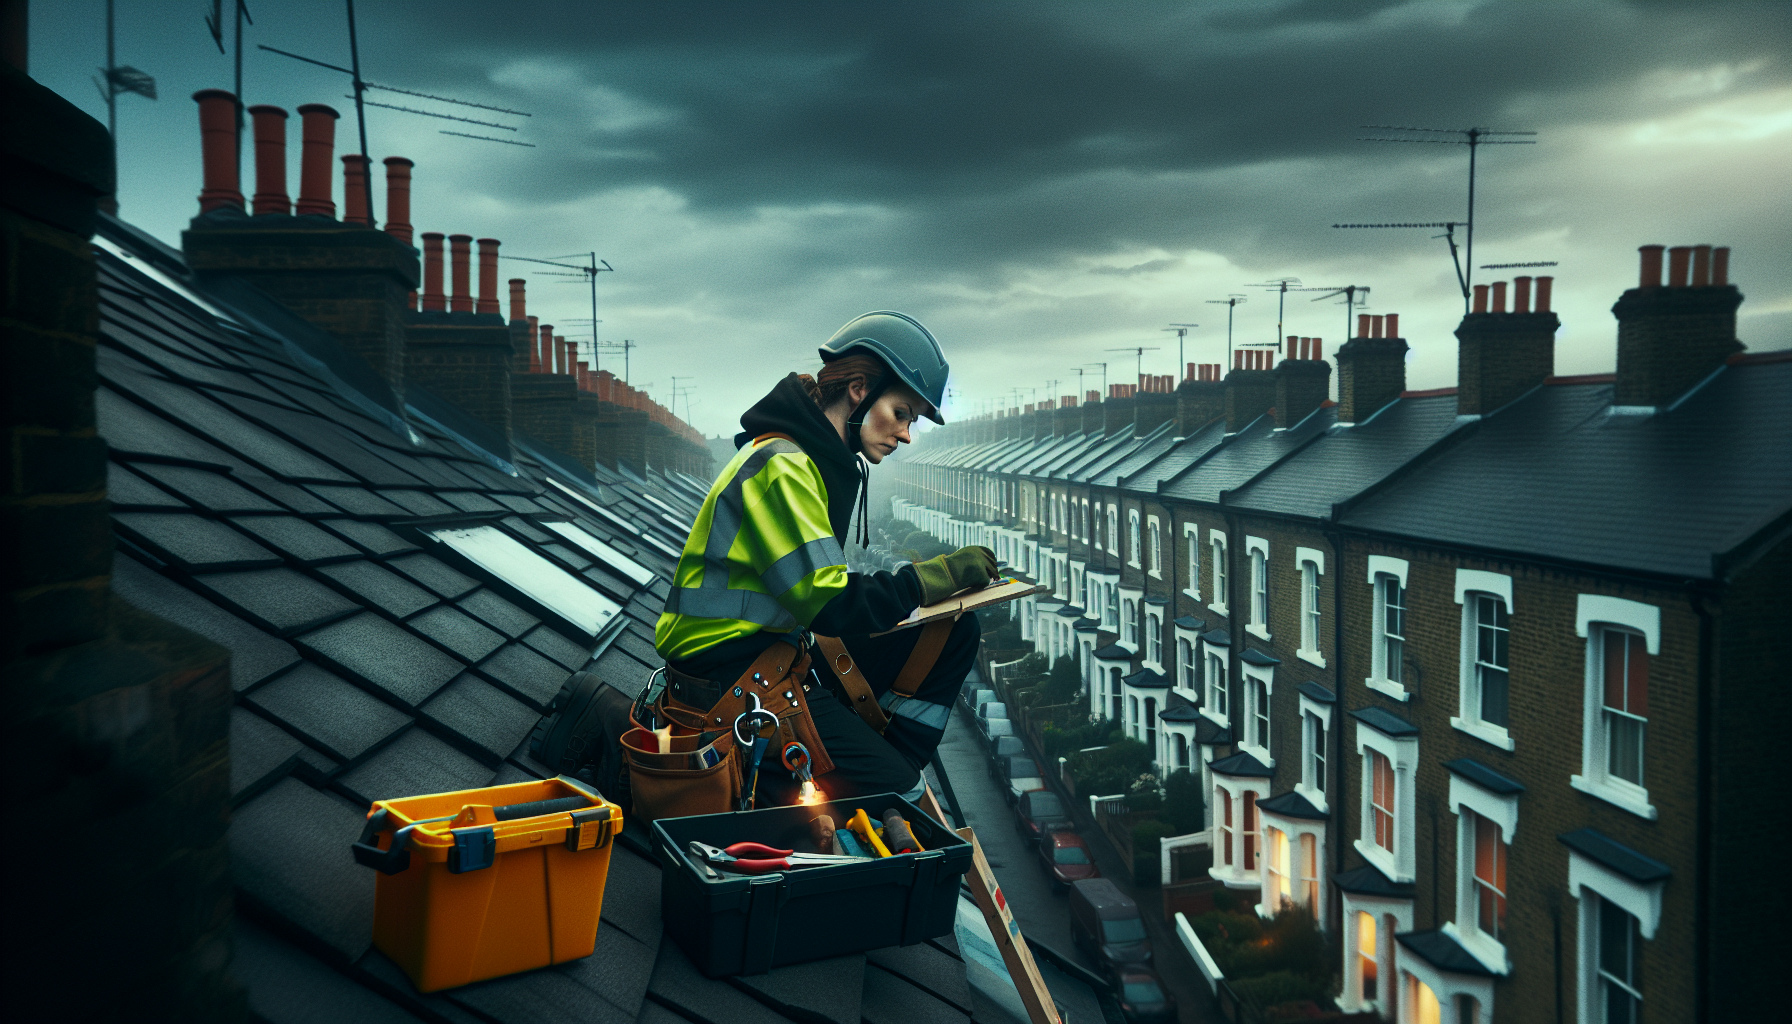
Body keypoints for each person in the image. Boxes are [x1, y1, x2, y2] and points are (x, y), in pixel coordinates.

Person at [650, 311, 997, 807]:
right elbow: (830, 601)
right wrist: (931, 579)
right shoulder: (781, 467)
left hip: (772, 655)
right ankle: (888, 784)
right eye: (901, 413)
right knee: (900, 791)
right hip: (729, 675)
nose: (906, 435)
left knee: (953, 632)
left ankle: (884, 764)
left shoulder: (810, 463)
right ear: (859, 389)